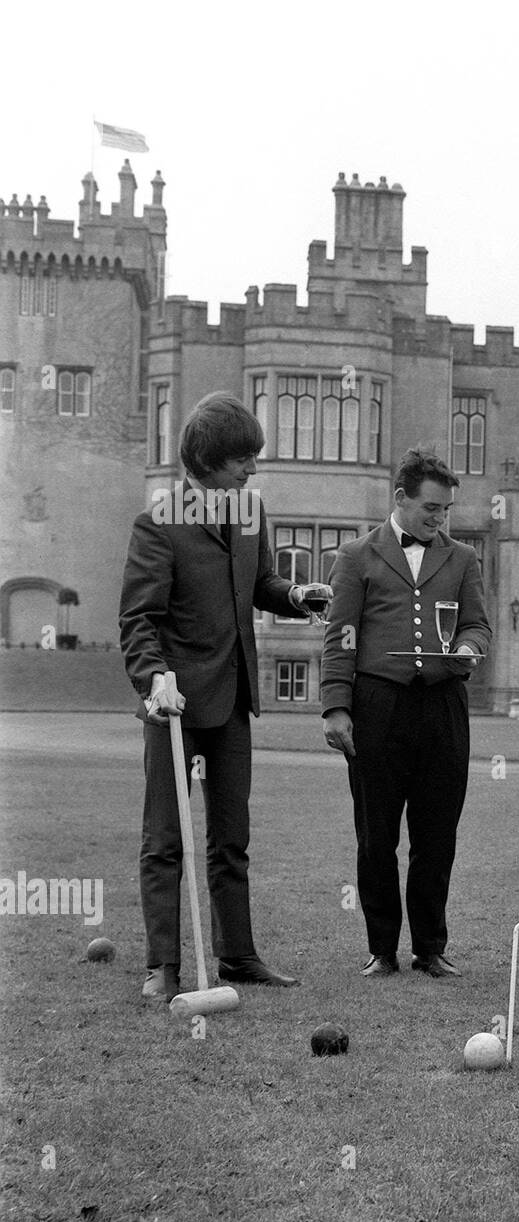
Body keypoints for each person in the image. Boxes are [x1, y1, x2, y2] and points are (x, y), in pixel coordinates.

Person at [119, 392, 329, 1003]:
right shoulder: (158, 522)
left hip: (233, 700)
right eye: (243, 458)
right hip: (174, 704)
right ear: (209, 460)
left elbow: (259, 582)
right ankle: (163, 967)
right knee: (164, 839)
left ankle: (237, 956)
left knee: (230, 839)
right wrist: (155, 679)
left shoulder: (249, 514)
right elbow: (138, 619)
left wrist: (293, 596)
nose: (253, 469)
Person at [320, 450, 491, 979]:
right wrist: (335, 706)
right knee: (376, 835)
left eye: (446, 510)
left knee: (437, 832)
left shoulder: (463, 560)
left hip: (442, 707)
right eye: (430, 508)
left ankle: (430, 948)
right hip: (377, 706)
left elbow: (479, 626)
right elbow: (340, 635)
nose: (439, 519)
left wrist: (467, 650)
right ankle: (381, 949)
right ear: (400, 499)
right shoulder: (356, 556)